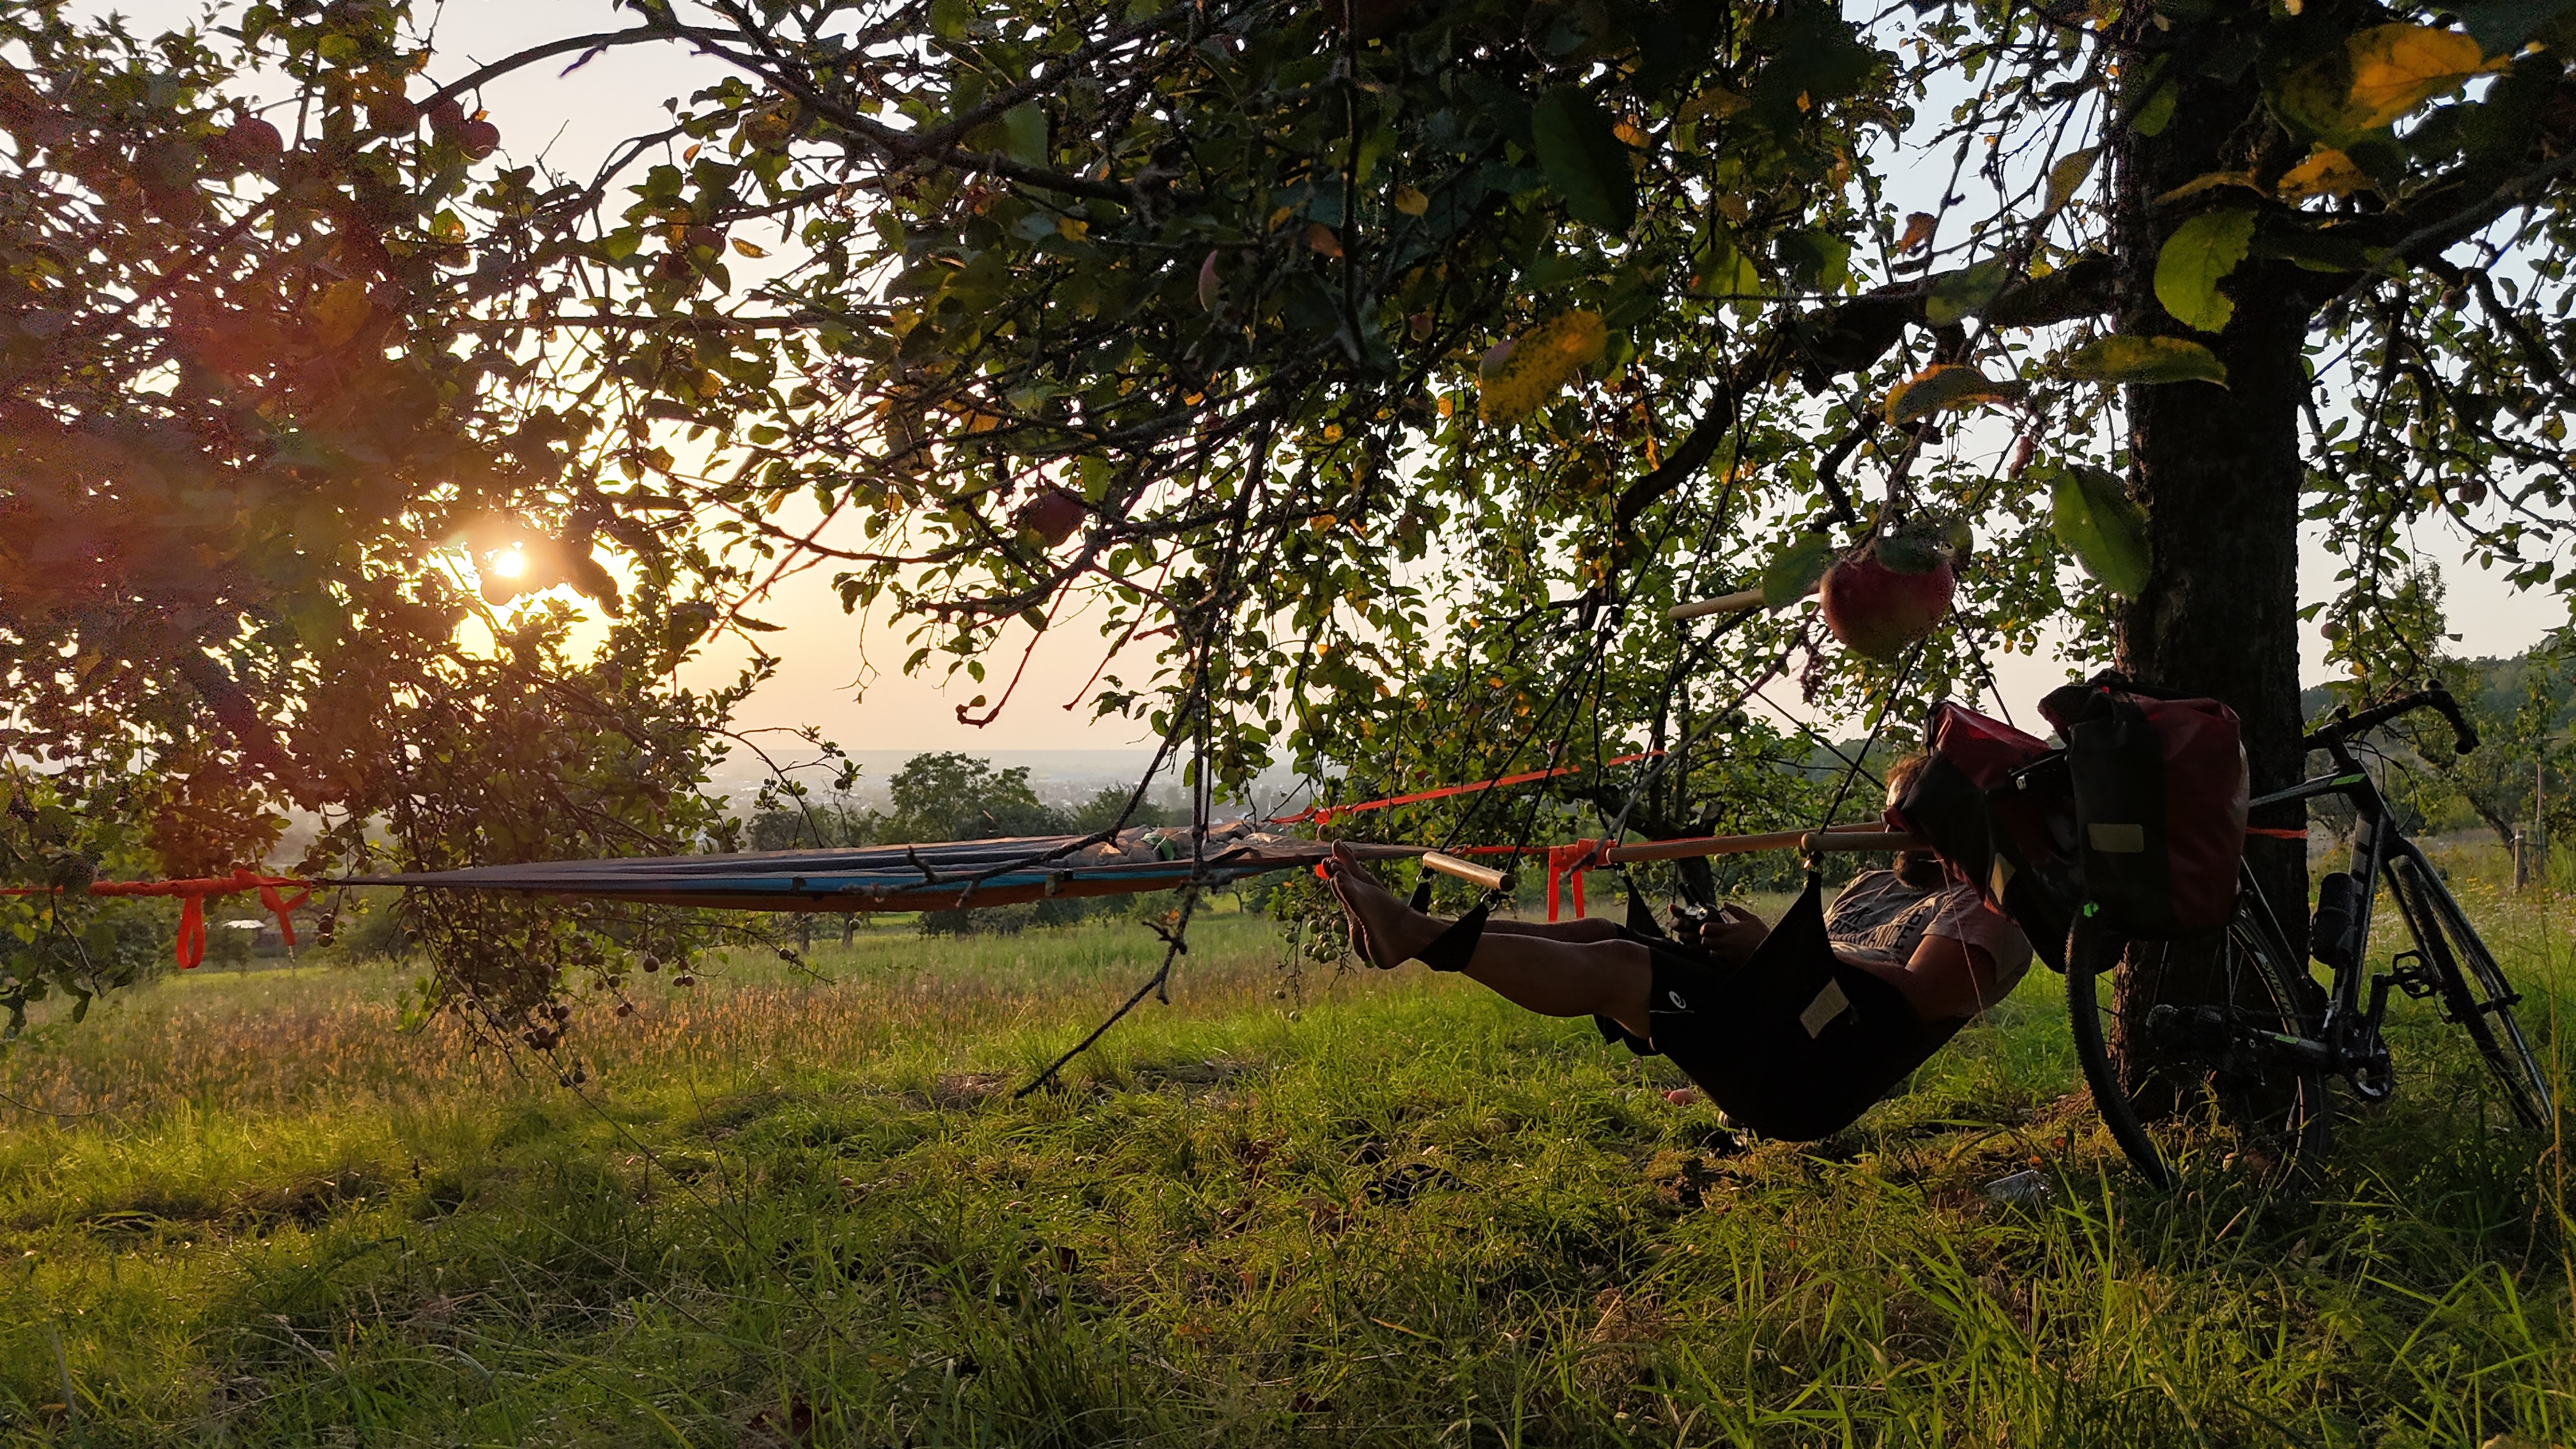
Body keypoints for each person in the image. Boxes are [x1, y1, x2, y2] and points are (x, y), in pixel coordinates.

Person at [1320, 755, 2033, 1137]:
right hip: (1772, 1020)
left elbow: (1920, 997)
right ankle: (1419, 936)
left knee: (1620, 967)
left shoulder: (1988, 906)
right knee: (1607, 934)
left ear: (1953, 825)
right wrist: (1736, 945)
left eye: (1909, 818)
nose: (1888, 829)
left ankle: (1414, 935)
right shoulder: (1875, 881)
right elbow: (1817, 961)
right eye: (1889, 814)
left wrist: (1777, 952)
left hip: (1816, 1066)